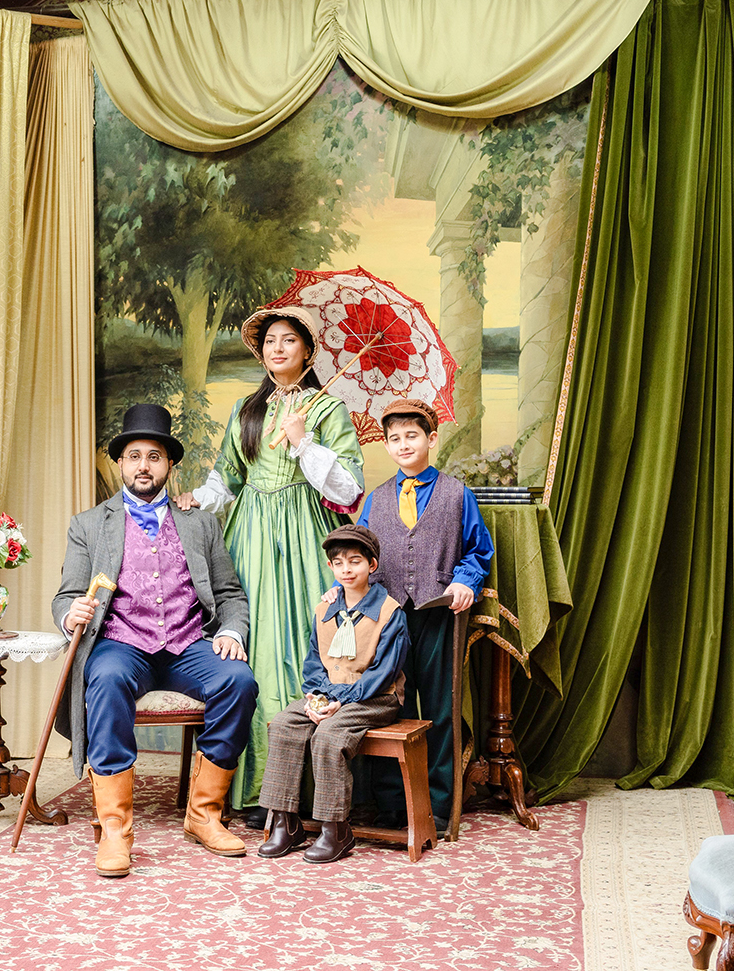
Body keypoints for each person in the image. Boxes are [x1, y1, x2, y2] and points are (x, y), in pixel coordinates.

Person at [175, 306, 365, 823]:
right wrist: (199, 497)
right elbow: (227, 480)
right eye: (270, 342)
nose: (278, 348)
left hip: (305, 538)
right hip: (251, 539)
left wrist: (304, 440)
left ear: (307, 349)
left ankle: (307, 795)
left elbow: (349, 488)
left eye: (289, 340)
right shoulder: (247, 410)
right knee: (251, 651)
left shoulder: (328, 410)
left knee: (311, 647)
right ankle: (256, 792)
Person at [53, 404, 257, 877]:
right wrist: (70, 613)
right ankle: (115, 829)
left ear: (169, 465)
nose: (144, 465)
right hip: (123, 643)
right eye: (134, 456)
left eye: (154, 456)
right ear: (121, 464)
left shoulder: (201, 523)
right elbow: (66, 594)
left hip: (188, 644)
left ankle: (204, 815)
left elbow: (229, 593)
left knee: (239, 681)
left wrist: (229, 630)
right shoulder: (88, 524)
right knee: (102, 679)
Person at [357, 399, 494, 825]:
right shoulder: (376, 499)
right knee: (389, 704)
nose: (403, 445)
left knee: (438, 707)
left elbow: (478, 550)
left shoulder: (457, 493)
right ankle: (393, 802)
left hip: (437, 611)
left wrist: (464, 581)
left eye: (411, 436)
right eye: (394, 439)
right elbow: (360, 554)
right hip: (389, 618)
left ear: (431, 439)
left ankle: (437, 805)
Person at [256, 525, 409, 863]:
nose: (346, 570)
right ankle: (285, 822)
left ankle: (335, 829)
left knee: (327, 735)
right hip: (329, 694)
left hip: (374, 697)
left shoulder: (389, 612)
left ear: (372, 565)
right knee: (284, 723)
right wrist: (316, 697)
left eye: (355, 562)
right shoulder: (325, 609)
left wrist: (342, 701)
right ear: (330, 568)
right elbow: (313, 661)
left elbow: (382, 673)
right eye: (338, 563)